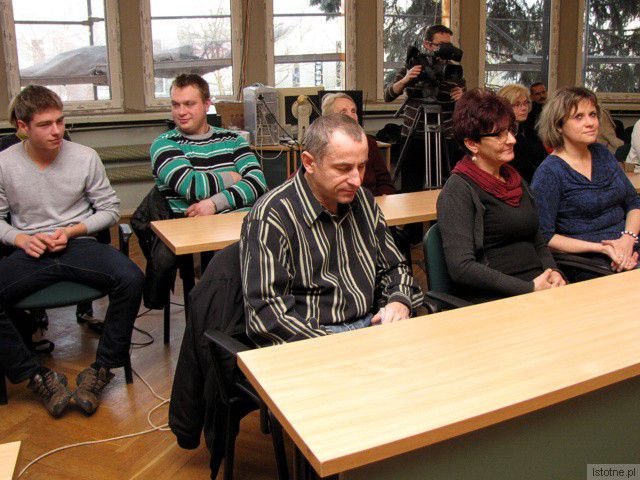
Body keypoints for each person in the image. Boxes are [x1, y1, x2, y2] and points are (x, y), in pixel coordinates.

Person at [0, 85, 144, 417]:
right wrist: (20, 239)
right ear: (22, 127)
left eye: (60, 121)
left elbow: (109, 210)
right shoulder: (5, 164)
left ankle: (101, 370)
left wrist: (72, 230)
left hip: (77, 244)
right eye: (45, 124)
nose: (57, 131)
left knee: (131, 278)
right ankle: (37, 377)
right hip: (31, 249)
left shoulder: (84, 157)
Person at [240, 114, 424, 347]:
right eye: (343, 168)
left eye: (361, 166)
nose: (357, 180)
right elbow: (267, 315)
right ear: (309, 162)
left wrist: (399, 301)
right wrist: (333, 346)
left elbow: (395, 267)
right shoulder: (272, 216)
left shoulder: (363, 201)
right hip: (313, 339)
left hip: (372, 326)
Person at [144, 73, 267, 309]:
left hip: (243, 228)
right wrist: (232, 177)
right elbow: (192, 186)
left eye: (189, 104)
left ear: (207, 104)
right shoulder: (164, 144)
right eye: (176, 105)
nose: (181, 112)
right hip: (199, 237)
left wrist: (213, 203)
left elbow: (257, 183)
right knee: (229, 282)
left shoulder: (233, 140)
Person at [437, 89, 565, 304]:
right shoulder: (458, 190)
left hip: (540, 288)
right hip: (497, 298)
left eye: (510, 131)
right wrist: (528, 288)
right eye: (499, 135)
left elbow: (537, 240)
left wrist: (554, 272)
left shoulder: (514, 179)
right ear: (472, 144)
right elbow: (462, 268)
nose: (512, 140)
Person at [531, 87, 640, 280]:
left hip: (628, 245)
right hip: (587, 260)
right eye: (578, 117)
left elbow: (633, 203)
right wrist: (603, 248)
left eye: (592, 115)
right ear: (558, 125)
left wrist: (628, 239)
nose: (590, 123)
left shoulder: (602, 153)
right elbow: (544, 236)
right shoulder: (549, 172)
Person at [384, 24, 465, 193]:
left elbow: (465, 106)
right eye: (440, 45)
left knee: (446, 186)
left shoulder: (453, 70)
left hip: (445, 135)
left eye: (448, 45)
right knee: (411, 187)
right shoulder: (413, 65)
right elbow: (388, 95)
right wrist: (405, 79)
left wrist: (462, 96)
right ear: (427, 44)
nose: (445, 50)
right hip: (414, 135)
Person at [321, 92, 395, 196]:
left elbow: (385, 182)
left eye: (353, 111)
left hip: (370, 201)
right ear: (329, 118)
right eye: (343, 112)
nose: (351, 116)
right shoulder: (322, 145)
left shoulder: (369, 143)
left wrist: (383, 197)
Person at [497, 84, 548, 183]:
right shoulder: (500, 135)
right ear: (504, 107)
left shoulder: (528, 129)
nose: (524, 108)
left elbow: (543, 158)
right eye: (517, 104)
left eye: (525, 103)